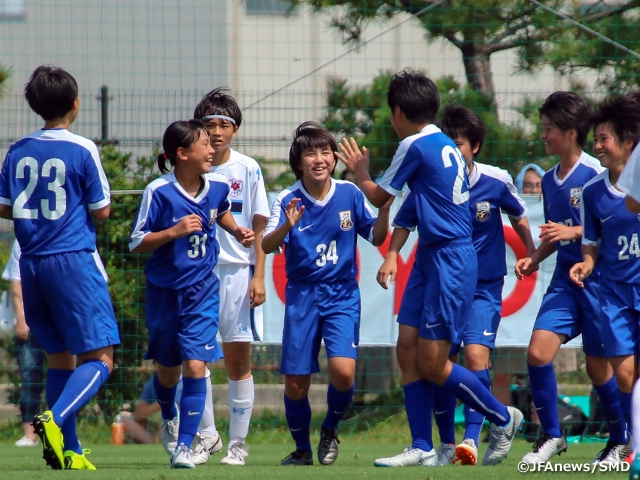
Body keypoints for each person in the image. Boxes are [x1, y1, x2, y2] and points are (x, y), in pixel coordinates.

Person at [337, 69, 523, 467]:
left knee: (433, 363)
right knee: (406, 348)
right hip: (430, 256)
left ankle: (503, 417)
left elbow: (378, 196)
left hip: (451, 259)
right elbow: (412, 205)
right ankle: (421, 444)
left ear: (398, 111)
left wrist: (361, 171)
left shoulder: (414, 144)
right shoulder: (443, 143)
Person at [0, 65, 119, 471]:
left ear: (34, 105)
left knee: (59, 358)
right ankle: (53, 418)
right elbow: (101, 211)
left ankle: (70, 451)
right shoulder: (82, 148)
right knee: (101, 359)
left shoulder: (17, 150)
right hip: (71, 261)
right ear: (75, 104)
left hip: (31, 263)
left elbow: (4, 206)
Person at [262, 122, 390, 466]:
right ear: (298, 160)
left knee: (344, 372)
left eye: (325, 152)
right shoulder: (287, 199)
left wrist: (385, 206)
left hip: (342, 294)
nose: (319, 159)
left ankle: (330, 429)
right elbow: (266, 243)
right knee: (295, 385)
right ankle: (302, 449)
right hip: (302, 296)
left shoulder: (349, 193)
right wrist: (286, 227)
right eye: (310, 153)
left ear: (334, 159)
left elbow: (377, 238)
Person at [129, 120, 254, 469]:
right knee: (168, 372)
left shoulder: (216, 187)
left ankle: (185, 446)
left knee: (196, 365)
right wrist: (173, 231)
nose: (212, 148)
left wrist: (237, 230)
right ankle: (169, 415)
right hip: (165, 293)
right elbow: (136, 241)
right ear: (182, 154)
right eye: (203, 143)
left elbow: (222, 210)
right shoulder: (159, 191)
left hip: (202, 291)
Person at [515, 91, 626, 465]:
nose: (544, 135)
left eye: (549, 129)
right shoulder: (548, 180)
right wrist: (533, 257)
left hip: (599, 281)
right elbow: (554, 232)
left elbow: (605, 229)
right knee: (537, 352)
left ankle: (620, 439)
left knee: (599, 366)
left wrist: (573, 234)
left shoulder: (597, 174)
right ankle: (551, 436)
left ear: (571, 132)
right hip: (565, 280)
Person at [192, 87, 270, 466]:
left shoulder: (247, 167)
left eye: (225, 124)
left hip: (238, 274)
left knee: (238, 360)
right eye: (210, 125)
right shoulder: (190, 167)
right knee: (197, 359)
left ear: (235, 130)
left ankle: (238, 443)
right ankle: (208, 436)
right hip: (198, 274)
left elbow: (260, 226)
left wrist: (259, 276)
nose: (218, 131)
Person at [569, 93, 640, 465]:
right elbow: (591, 242)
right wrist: (585, 263)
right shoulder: (593, 191)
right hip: (613, 293)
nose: (597, 146)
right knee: (625, 373)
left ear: (629, 143)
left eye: (604, 139)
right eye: (595, 139)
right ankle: (632, 443)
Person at [2, 240, 45, 448]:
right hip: (30, 321)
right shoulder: (24, 241)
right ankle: (30, 434)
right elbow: (15, 281)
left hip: (61, 319)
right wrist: (21, 317)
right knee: (30, 376)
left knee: (65, 375)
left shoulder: (70, 231)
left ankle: (65, 431)